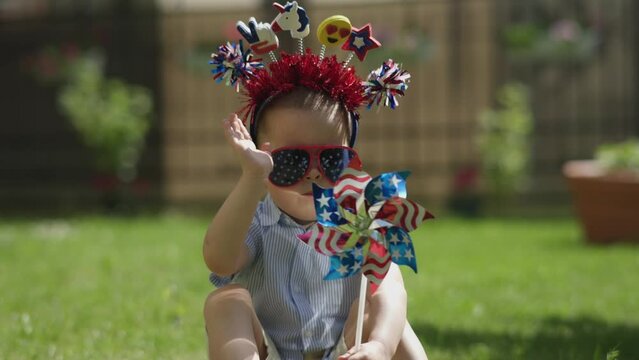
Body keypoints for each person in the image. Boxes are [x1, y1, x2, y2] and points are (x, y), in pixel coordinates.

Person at [202, 52, 429, 359]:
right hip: (270, 352)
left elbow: (390, 289)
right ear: (262, 163)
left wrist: (379, 345)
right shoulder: (256, 225)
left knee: (384, 311)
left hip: (349, 351)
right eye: (291, 161)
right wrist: (251, 179)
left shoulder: (364, 226)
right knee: (225, 301)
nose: (312, 173)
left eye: (332, 160)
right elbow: (220, 260)